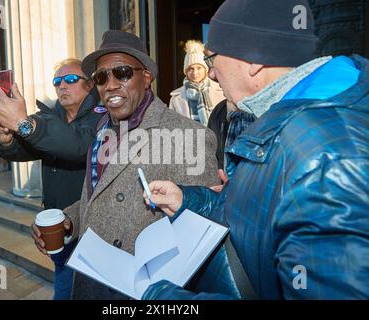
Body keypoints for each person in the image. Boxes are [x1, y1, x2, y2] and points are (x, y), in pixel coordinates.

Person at [142, 0, 369, 299]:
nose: (211, 73)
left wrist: (168, 301)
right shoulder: (291, 123)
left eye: (212, 58)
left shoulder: (328, 158)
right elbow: (261, 211)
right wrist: (191, 201)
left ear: (254, 60)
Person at [31, 30, 220, 299]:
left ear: (146, 77)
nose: (110, 85)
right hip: (87, 274)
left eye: (122, 73)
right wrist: (70, 220)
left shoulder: (190, 136)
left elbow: (201, 230)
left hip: (140, 291)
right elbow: (98, 194)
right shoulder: (101, 128)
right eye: (100, 77)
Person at [0, 59, 105, 300]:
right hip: (56, 225)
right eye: (57, 81)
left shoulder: (103, 116)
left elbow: (78, 146)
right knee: (63, 285)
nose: (62, 85)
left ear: (90, 85)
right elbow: (25, 149)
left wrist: (25, 124)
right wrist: (5, 138)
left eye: (71, 79)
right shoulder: (49, 117)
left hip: (93, 228)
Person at [169, 40, 223, 126]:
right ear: (186, 71)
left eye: (199, 68)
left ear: (206, 69)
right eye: (190, 69)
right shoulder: (176, 98)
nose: (195, 73)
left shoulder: (222, 91)